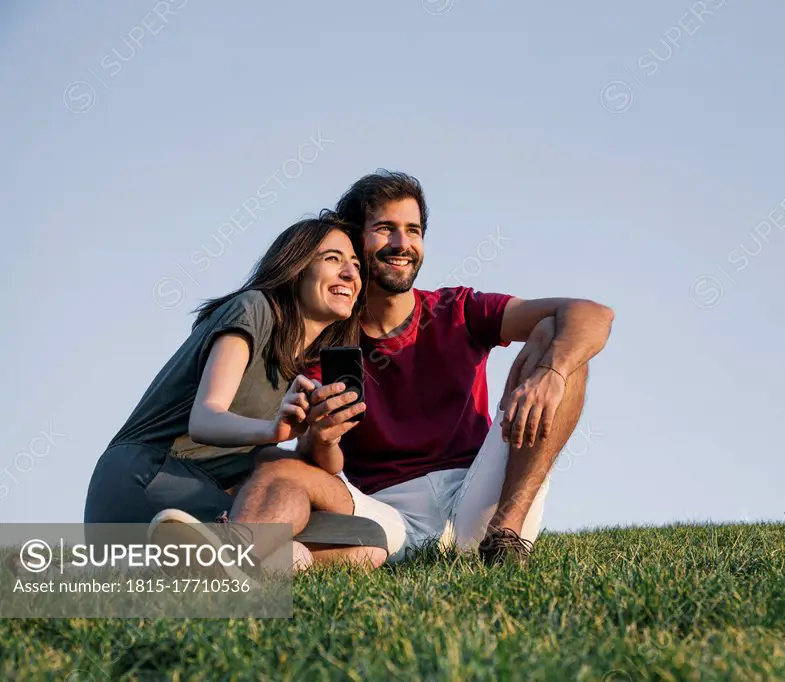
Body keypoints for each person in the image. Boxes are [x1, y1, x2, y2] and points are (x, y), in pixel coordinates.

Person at [236, 171, 614, 566]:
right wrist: (322, 437)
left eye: (413, 230)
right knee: (277, 470)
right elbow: (318, 460)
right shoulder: (327, 343)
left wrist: (552, 374)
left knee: (557, 336)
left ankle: (506, 539)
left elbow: (591, 313)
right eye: (385, 228)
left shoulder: (459, 310)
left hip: (478, 495)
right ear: (354, 240)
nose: (402, 243)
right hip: (388, 514)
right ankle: (238, 569)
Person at [83, 212, 388, 571]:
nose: (351, 274)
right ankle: (239, 554)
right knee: (286, 485)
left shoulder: (298, 365)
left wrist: (324, 438)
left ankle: (226, 562)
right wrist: (273, 431)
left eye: (355, 264)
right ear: (295, 267)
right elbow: (205, 417)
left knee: (367, 541)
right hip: (146, 479)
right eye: (333, 259)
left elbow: (316, 469)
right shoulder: (255, 309)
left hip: (205, 500)